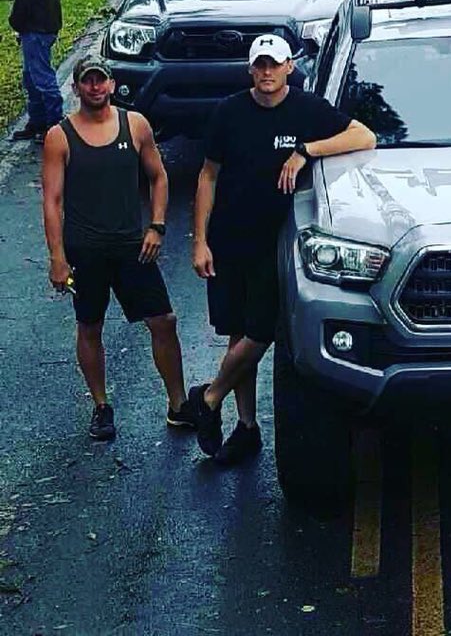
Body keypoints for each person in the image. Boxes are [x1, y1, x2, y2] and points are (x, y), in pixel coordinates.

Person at [188, 34, 376, 466]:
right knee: (238, 334)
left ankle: (209, 396)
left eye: (275, 65)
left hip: (279, 246)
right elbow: (207, 176)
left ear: (290, 66)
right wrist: (200, 241)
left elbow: (363, 137)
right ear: (250, 69)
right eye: (260, 66)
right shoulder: (229, 112)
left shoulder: (307, 110)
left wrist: (304, 152)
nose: (267, 73)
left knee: (261, 331)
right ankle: (246, 426)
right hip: (230, 239)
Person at [40, 57, 194, 441]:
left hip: (132, 246)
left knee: (163, 321)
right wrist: (58, 258)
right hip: (86, 250)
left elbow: (158, 177)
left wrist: (157, 226)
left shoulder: (135, 124)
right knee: (89, 326)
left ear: (111, 84)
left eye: (101, 80)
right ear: (76, 88)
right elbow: (52, 201)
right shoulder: (60, 136)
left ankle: (178, 404)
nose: (95, 87)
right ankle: (101, 406)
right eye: (87, 82)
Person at [9, 0, 63, 142]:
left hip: (36, 28)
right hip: (48, 23)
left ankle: (55, 124)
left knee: (41, 77)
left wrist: (16, 23)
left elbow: (24, 0)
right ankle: (37, 122)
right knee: (30, 77)